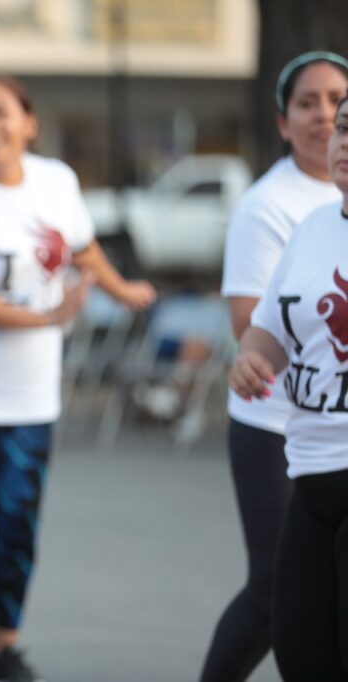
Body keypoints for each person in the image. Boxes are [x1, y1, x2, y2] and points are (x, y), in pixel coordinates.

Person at [0, 75, 155, 682]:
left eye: (0, 112)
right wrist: (43, 317)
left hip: (30, 396)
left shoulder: (57, 182)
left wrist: (124, 291)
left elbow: (82, 246)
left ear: (29, 123)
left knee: (19, 525)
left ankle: (4, 645)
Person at [202, 50, 348, 682]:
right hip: (309, 471)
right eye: (345, 129)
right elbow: (268, 326)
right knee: (299, 646)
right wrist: (253, 358)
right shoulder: (312, 224)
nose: (340, 139)